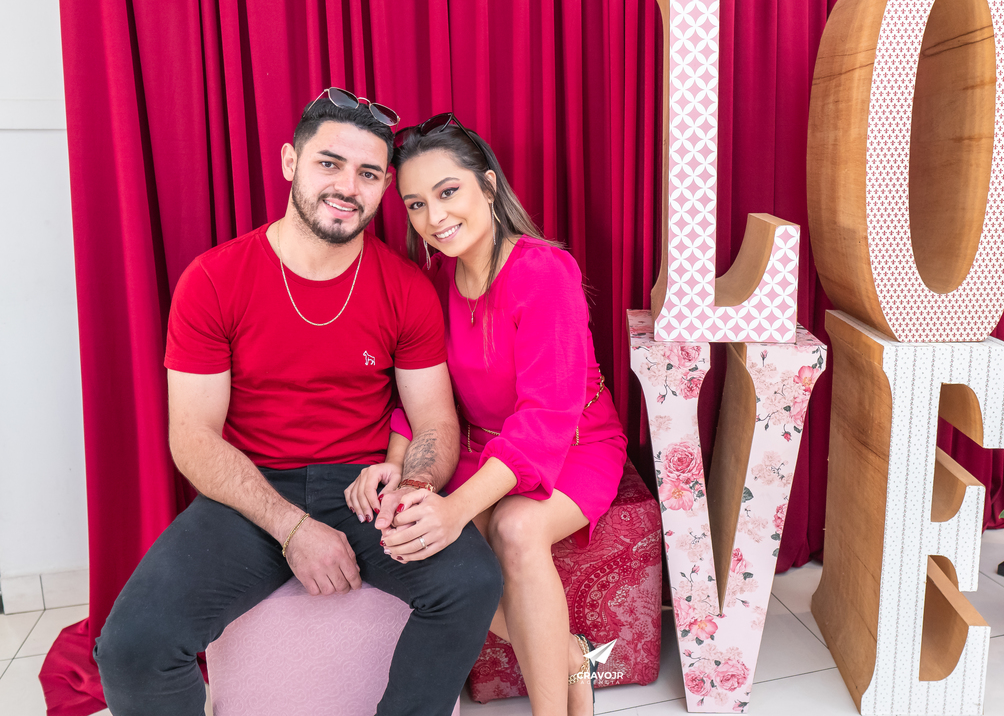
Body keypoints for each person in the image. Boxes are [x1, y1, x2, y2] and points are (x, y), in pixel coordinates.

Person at [93, 90, 502, 716]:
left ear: (384, 188)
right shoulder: (213, 279)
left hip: (364, 491)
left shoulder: (407, 288)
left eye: (368, 174)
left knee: (471, 580)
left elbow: (435, 422)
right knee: (132, 646)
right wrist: (291, 528)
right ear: (290, 162)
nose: (347, 187)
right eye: (329, 163)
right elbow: (193, 436)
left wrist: (415, 485)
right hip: (252, 492)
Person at [347, 114, 627, 716]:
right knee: (422, 546)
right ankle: (570, 653)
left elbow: (546, 417)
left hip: (574, 442)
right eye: (416, 204)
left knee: (515, 530)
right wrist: (400, 471)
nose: (434, 217)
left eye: (448, 192)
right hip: (476, 445)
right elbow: (421, 396)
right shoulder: (433, 279)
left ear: (489, 186)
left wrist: (456, 509)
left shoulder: (545, 271)